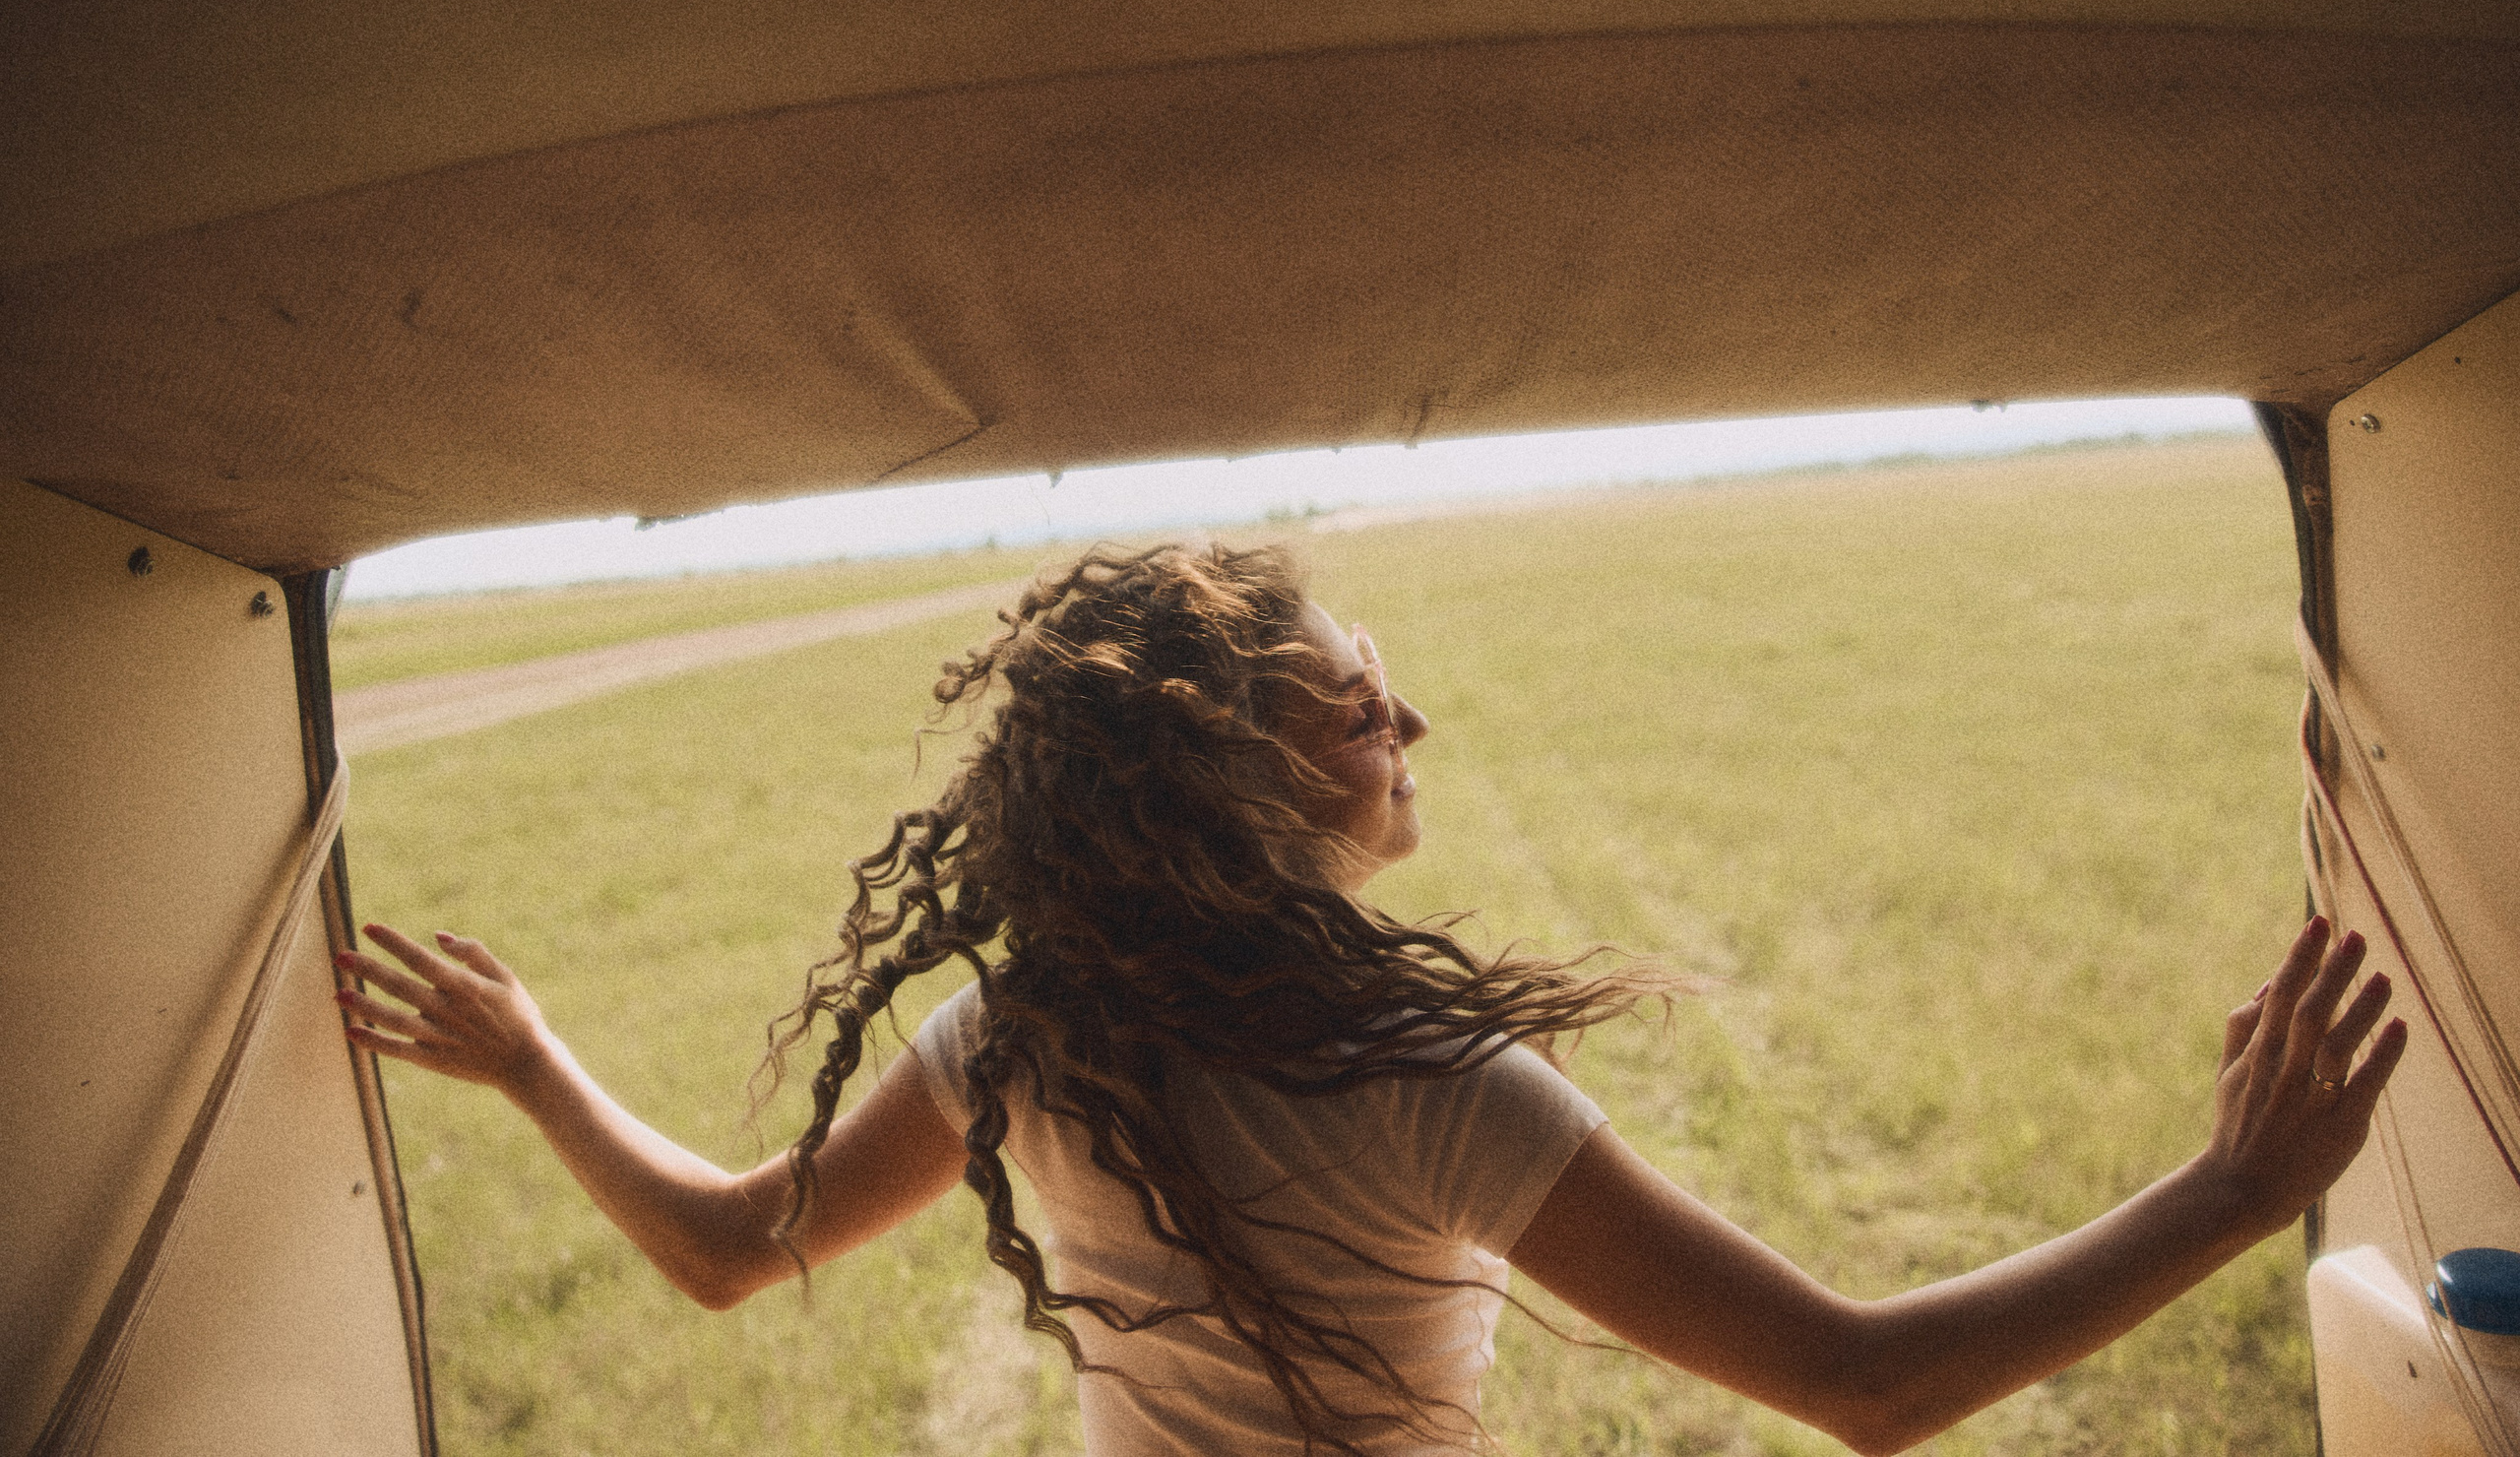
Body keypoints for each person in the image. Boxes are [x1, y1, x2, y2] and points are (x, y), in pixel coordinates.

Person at [336, 541, 2404, 1456]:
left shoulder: (1023, 1030)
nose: (1411, 715)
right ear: (1237, 768)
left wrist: (533, 1067)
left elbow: (719, 1248)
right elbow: (1863, 1387)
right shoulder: (1427, 1079)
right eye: (1354, 698)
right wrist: (2233, 1190)